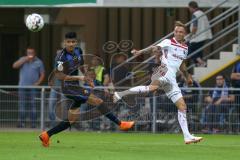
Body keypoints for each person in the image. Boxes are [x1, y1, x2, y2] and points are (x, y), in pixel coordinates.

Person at [113, 21, 203, 144]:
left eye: (180, 32)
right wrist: (140, 52)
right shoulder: (168, 42)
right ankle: (121, 94)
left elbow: (182, 65)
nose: (177, 33)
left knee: (182, 106)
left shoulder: (185, 48)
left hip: (172, 79)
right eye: (176, 31)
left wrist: (188, 77)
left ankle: (187, 136)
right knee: (151, 88)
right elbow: (154, 48)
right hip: (163, 71)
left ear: (184, 34)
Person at [39, 32, 134, 147]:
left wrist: (87, 78)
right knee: (98, 101)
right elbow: (59, 76)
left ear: (76, 42)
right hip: (68, 88)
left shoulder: (78, 51)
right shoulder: (61, 57)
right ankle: (121, 124)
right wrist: (80, 77)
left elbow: (80, 66)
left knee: (71, 120)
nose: (71, 44)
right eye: (68, 42)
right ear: (64, 43)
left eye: (73, 42)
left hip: (76, 86)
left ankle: (46, 135)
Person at [13, 47, 45, 128]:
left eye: (31, 52)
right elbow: (14, 66)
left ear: (35, 53)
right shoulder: (22, 59)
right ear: (26, 53)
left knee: (33, 105)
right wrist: (25, 60)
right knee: (22, 105)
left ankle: (33, 124)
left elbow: (42, 74)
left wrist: (38, 83)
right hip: (22, 87)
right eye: (28, 52)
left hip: (33, 88)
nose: (30, 54)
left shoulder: (39, 62)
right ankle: (22, 123)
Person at [188, 1, 212, 67]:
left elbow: (194, 27)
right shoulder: (202, 13)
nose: (189, 10)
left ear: (191, 7)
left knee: (188, 49)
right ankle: (199, 63)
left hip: (197, 37)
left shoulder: (195, 14)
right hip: (204, 35)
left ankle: (201, 62)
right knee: (198, 51)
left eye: (189, 8)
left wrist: (190, 35)